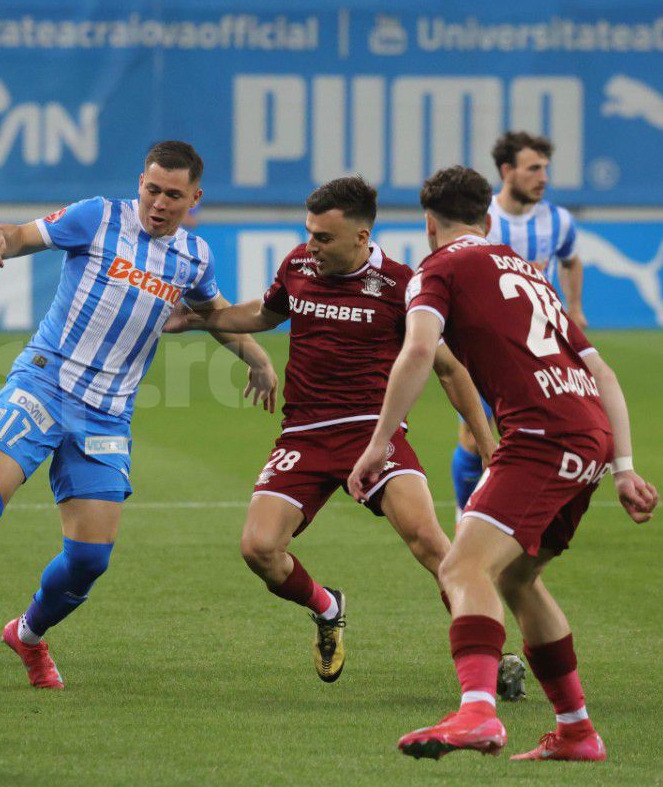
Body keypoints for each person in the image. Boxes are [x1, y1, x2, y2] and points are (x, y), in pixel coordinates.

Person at [0, 141, 277, 687]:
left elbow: (215, 313)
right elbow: (23, 233)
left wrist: (260, 360)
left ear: (194, 198)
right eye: (152, 189)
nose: (159, 203)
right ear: (139, 183)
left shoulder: (195, 257)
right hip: (43, 382)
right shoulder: (96, 218)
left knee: (89, 561)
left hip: (106, 416)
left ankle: (27, 634)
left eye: (174, 195)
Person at [348, 165, 658, 761]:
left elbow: (418, 351)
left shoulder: (435, 271)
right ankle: (576, 732)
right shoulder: (530, 273)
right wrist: (623, 467)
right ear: (489, 221)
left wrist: (379, 442)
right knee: (516, 578)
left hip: (542, 434)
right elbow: (604, 373)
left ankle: (478, 714)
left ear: (430, 225)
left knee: (461, 568)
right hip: (589, 433)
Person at [164, 176, 493, 683]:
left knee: (431, 543)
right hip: (305, 433)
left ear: (362, 237)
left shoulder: (402, 286)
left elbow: (450, 370)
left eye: (323, 238)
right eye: (310, 233)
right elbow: (268, 313)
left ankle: (489, 658)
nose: (310, 246)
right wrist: (204, 320)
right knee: (259, 549)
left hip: (373, 433)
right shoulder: (297, 265)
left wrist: (489, 446)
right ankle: (327, 607)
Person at [451, 131, 586, 517]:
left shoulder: (559, 221)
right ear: (507, 170)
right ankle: (466, 512)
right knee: (477, 438)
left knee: (547, 431)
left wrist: (574, 307)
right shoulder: (483, 221)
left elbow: (572, 259)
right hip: (486, 350)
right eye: (533, 169)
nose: (543, 177)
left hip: (541, 349)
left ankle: (533, 510)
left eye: (545, 168)